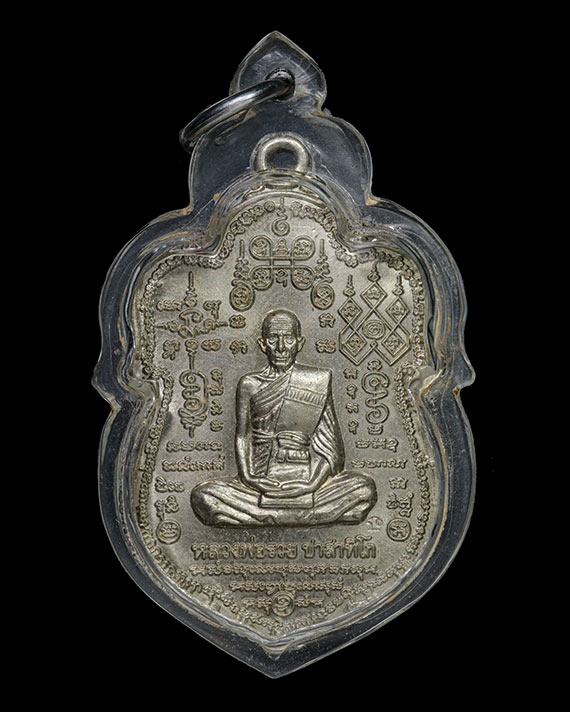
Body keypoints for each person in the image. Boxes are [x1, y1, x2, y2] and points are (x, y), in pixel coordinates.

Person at [191, 309, 377, 526]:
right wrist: (249, 478)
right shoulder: (249, 384)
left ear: (299, 343)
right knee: (204, 496)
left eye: (288, 338)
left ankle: (263, 516)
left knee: (364, 489)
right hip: (261, 480)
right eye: (273, 338)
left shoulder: (316, 381)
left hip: (308, 478)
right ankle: (303, 516)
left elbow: (332, 448)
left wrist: (311, 484)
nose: (281, 347)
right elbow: (243, 435)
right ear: (263, 344)